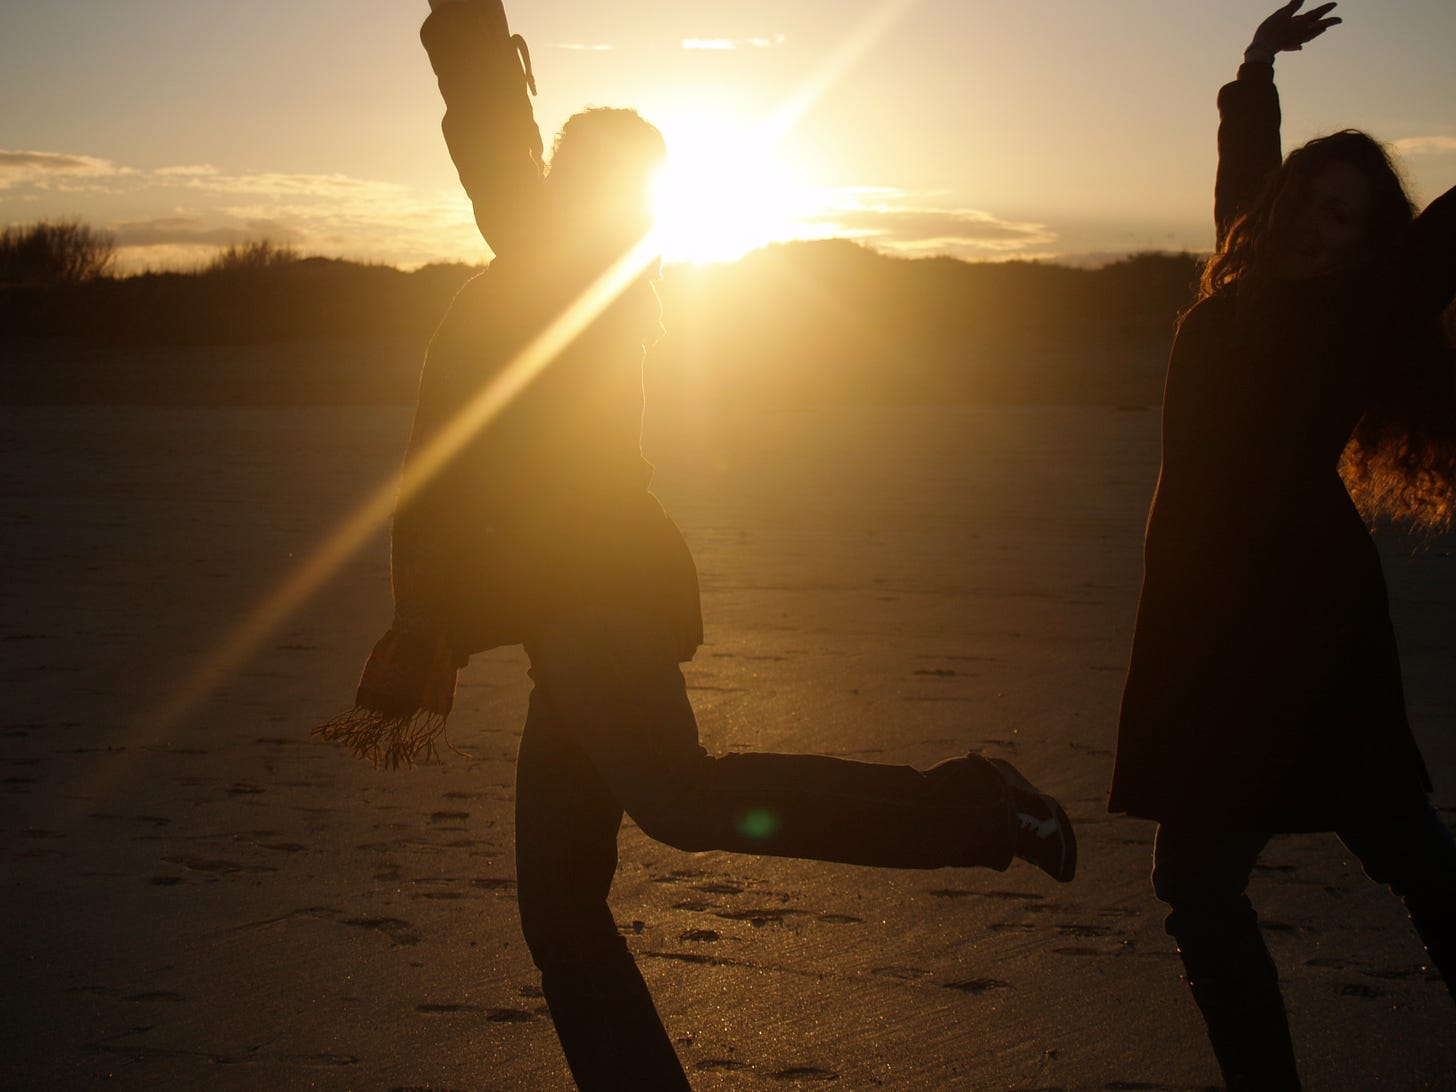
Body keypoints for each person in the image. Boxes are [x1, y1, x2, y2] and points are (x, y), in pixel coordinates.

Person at [317, 1, 1076, 1087]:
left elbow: (492, 132)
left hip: (600, 598)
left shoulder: (577, 270)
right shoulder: (545, 279)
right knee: (562, 911)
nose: (563, 189)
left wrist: (465, 20)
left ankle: (979, 805)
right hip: (561, 614)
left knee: (681, 801)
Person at [1107, 2, 1456, 1087]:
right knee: (1259, 872)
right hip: (1212, 621)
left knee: (1377, 846)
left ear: (1369, 243)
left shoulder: (1365, 312)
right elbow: (1247, 164)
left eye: (1345, 216)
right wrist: (1255, 65)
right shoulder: (1241, 275)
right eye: (1309, 199)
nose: (1314, 223)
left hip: (1301, 621)